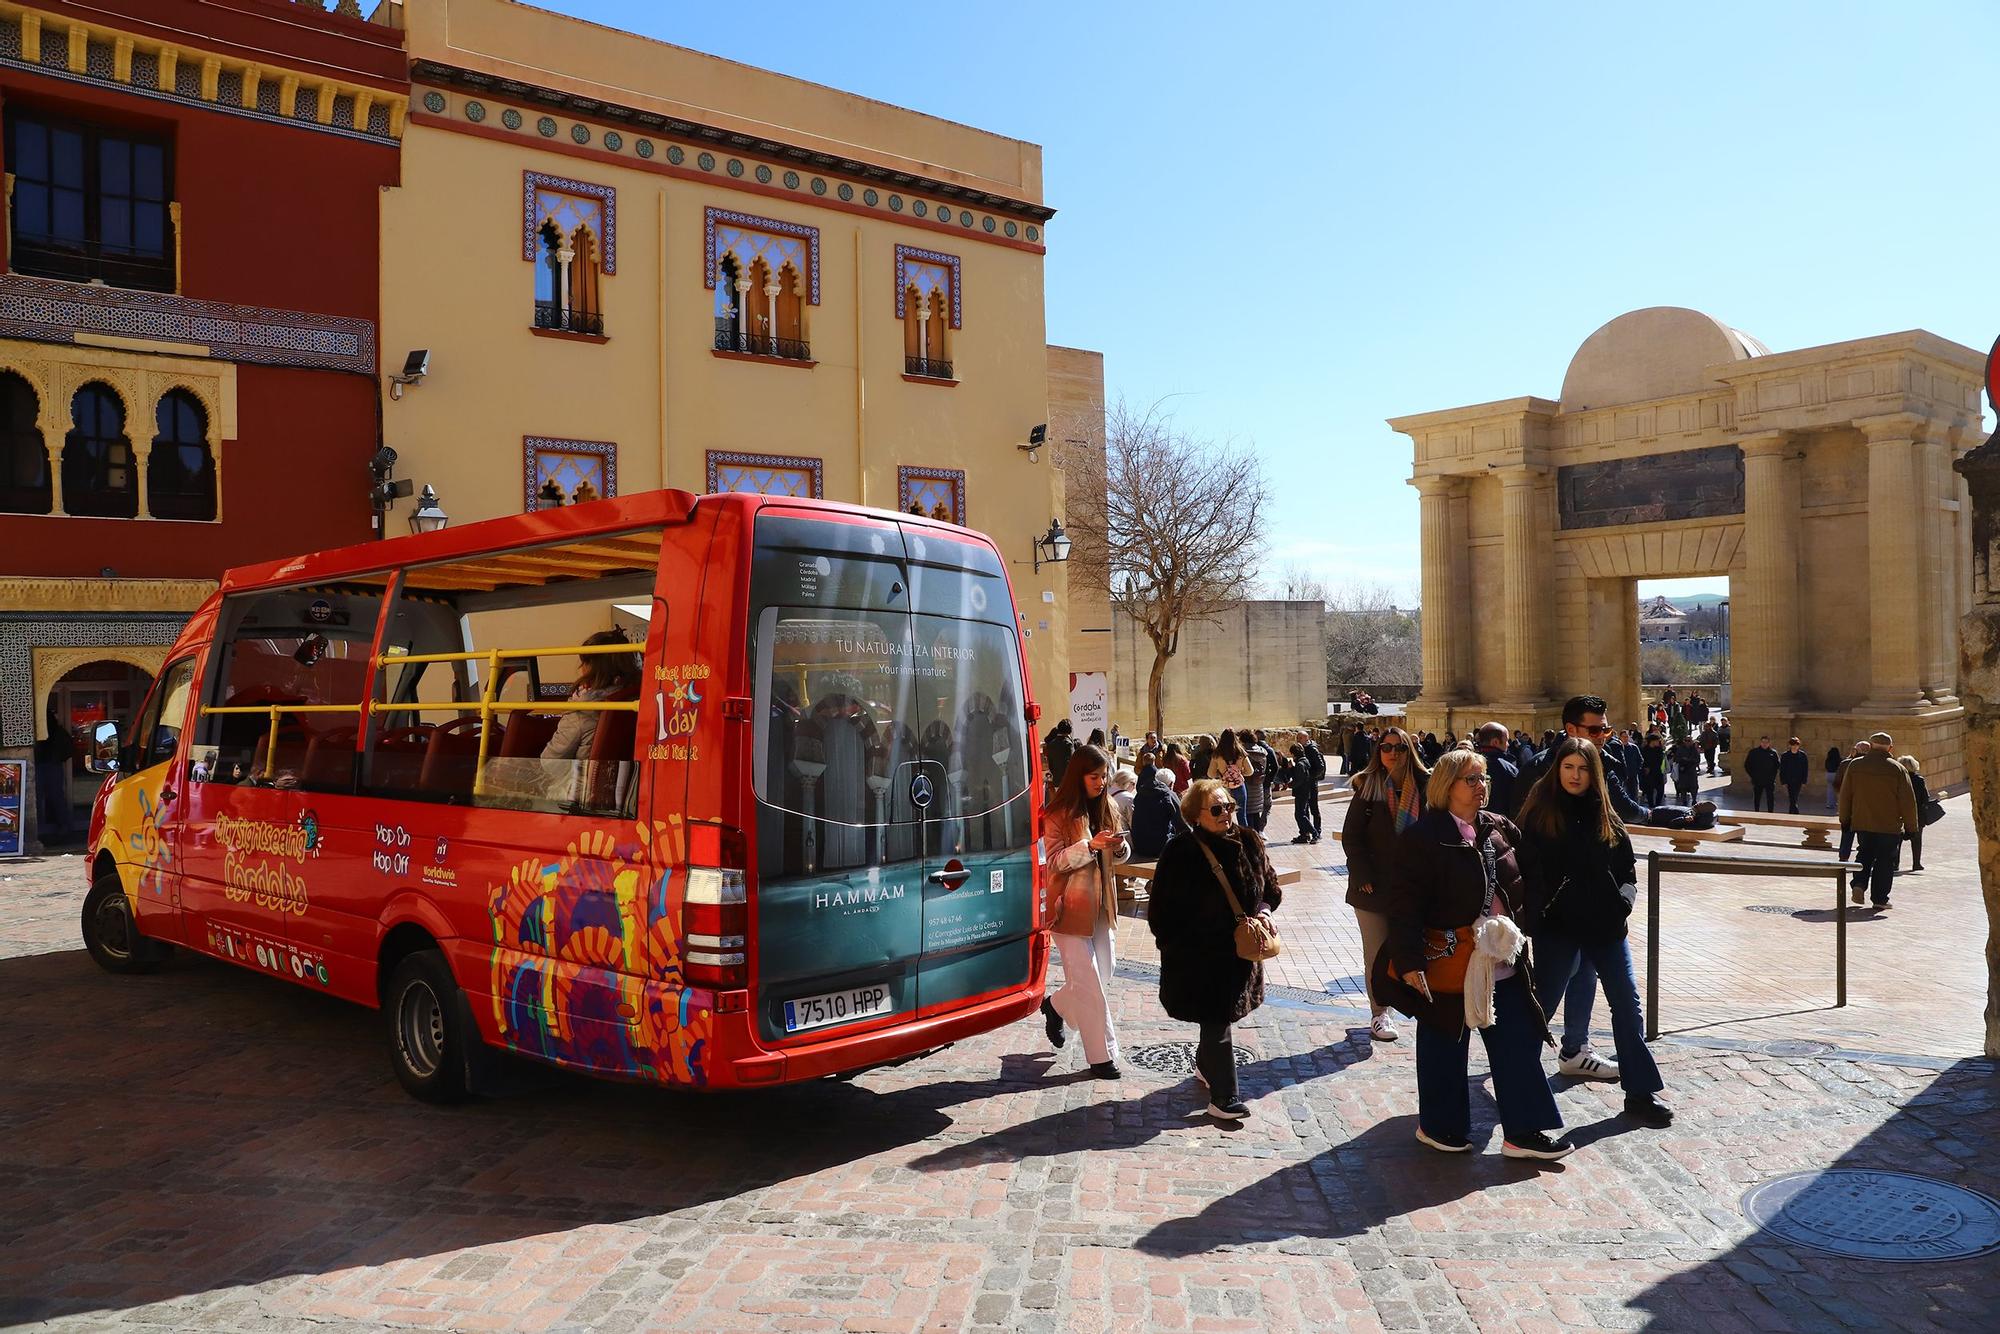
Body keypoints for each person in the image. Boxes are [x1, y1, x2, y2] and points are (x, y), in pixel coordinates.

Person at [1373, 749, 1574, 1160]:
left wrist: (1523, 920)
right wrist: (1409, 962)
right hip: (1448, 964)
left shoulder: (1498, 828)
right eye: (1472, 779)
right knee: (1444, 1047)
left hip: (1503, 962)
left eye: (1483, 779)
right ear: (1447, 785)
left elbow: (1529, 874)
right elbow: (1403, 906)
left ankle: (1524, 1132)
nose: (1481, 786)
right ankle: (1440, 1126)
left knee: (1517, 1045)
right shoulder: (1422, 839)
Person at [1516, 739, 1673, 1127]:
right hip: (1559, 929)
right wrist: (1538, 913)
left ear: (1594, 774)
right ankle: (1516, 1084)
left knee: (1627, 1004)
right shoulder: (1539, 814)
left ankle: (1639, 1092)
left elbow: (1627, 871)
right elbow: (1523, 871)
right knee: (1543, 1006)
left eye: (1583, 769)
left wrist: (1624, 902)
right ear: (1558, 769)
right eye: (1568, 766)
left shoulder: (1606, 815)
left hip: (1607, 927)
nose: (1575, 775)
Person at [1146, 778, 1282, 1120]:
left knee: (1216, 1019)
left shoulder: (1250, 841)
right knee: (1217, 1018)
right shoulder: (1181, 851)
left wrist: (1263, 911)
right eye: (1218, 809)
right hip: (1199, 956)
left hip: (1239, 952)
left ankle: (1206, 1066)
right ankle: (1224, 1097)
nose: (1227, 815)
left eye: (1230, 807)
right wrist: (1175, 947)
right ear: (1196, 815)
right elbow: (1161, 910)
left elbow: (1271, 888)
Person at [1037, 745, 1129, 1077]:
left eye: (1104, 776)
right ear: (1079, 776)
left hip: (1103, 905)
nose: (1101, 782)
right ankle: (1103, 1057)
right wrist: (1090, 846)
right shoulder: (1058, 814)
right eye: (1094, 776)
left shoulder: (1108, 807)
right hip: (1069, 909)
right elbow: (1054, 863)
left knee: (1105, 971)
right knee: (1089, 981)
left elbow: (1119, 855)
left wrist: (1119, 848)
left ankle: (1056, 1005)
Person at [1340, 724, 1429, 1043]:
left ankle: (1423, 1007)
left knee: (1414, 949)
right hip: (1373, 888)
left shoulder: (1426, 785)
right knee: (1376, 953)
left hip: (1414, 887)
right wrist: (1361, 874)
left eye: (1400, 747)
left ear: (1410, 751)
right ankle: (1380, 1014)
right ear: (1378, 752)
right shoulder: (1368, 786)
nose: (1393, 753)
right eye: (1386, 747)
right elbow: (1352, 837)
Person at [486, 630, 642, 806]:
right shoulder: (630, 698)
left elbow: (549, 763)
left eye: (584, 662)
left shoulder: (581, 711)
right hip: (617, 789)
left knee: (491, 772)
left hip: (572, 794)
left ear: (592, 668)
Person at [1838, 733, 1918, 910]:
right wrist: (1911, 827)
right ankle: (1880, 899)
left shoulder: (1855, 765)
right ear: (1890, 748)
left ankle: (1859, 884)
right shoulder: (1897, 769)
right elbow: (1907, 801)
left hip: (1862, 821)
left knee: (1864, 853)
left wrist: (1845, 819)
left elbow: (1845, 796)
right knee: (1885, 861)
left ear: (1871, 746)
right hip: (1889, 825)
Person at [1129, 760, 1190, 859]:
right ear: (1171, 784)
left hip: (1139, 845)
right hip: (1160, 847)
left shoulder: (1141, 792)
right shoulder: (1168, 794)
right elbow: (1181, 822)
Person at [34, 701, 75, 842]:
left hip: (47, 765)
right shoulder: (58, 731)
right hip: (51, 765)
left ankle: (42, 827)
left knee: (45, 797)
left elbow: (67, 748)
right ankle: (62, 826)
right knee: (55, 796)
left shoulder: (54, 732)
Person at [1473, 722, 1522, 821]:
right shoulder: (1508, 769)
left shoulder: (1466, 766)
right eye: (1506, 740)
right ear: (1495, 742)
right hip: (1500, 825)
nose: (1508, 744)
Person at [1207, 729, 1250, 828]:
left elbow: (1210, 774)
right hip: (1239, 786)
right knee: (1242, 816)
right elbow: (1250, 771)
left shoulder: (1217, 755)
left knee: (1225, 815)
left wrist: (1220, 774)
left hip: (1225, 788)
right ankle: (1245, 839)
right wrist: (1239, 773)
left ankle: (1227, 835)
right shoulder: (1241, 753)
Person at [1899, 755, 1932, 872]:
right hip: (1917, 813)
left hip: (1899, 813)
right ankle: (1916, 863)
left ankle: (1895, 863)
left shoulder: (1898, 778)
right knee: (1917, 839)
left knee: (1897, 839)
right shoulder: (1919, 780)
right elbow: (1925, 798)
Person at [1284, 743, 1321, 844]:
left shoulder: (1300, 764)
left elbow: (1299, 780)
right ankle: (1303, 835)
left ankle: (1314, 833)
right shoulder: (1304, 761)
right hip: (1305, 791)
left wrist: (1290, 785)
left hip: (1301, 792)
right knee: (1299, 814)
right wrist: (1291, 768)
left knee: (1300, 815)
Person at [1242, 728, 1274, 834]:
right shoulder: (1262, 752)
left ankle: (1251, 839)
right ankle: (1257, 836)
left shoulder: (1242, 753)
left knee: (1247, 814)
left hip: (1246, 785)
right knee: (1256, 813)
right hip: (1258, 785)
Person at [1743, 736, 1781, 812]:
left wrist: (1773, 776)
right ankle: (1756, 811)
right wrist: (1753, 776)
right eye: (1763, 742)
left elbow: (1777, 765)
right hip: (1757, 780)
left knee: (1770, 797)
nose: (1764, 744)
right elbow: (1747, 765)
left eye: (1766, 742)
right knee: (1757, 797)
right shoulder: (1754, 752)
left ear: (1769, 743)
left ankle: (1771, 813)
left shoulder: (1773, 753)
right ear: (1760, 742)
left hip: (1769, 780)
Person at [1042, 720, 1075, 796]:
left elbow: (1050, 763)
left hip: (1056, 780)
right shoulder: (1068, 744)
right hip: (1068, 781)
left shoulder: (1051, 744)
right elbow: (1072, 762)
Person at [1779, 738, 1810, 814]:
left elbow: (1805, 769)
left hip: (1798, 779)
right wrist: (1783, 781)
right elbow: (1782, 769)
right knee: (1792, 797)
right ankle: (1795, 813)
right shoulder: (1785, 756)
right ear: (1790, 745)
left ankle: (1792, 813)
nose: (1794, 747)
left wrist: (1804, 780)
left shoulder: (1803, 755)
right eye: (1793, 745)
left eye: (1796, 745)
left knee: (1794, 797)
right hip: (1788, 779)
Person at [1670, 734, 1702, 805]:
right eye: (1686, 741)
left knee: (1694, 786)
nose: (1687, 742)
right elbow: (1676, 759)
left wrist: (1689, 760)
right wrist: (1683, 760)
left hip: (1691, 771)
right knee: (1683, 787)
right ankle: (1684, 801)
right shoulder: (1680, 749)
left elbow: (1697, 760)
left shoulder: (1694, 750)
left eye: (1689, 741)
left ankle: (1694, 799)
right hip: (1683, 770)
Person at [1641, 732, 1668, 808]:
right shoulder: (1645, 750)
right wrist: (1645, 768)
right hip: (1649, 774)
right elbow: (1642, 761)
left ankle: (1658, 805)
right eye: (1657, 740)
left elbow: (1660, 760)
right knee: (1649, 791)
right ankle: (1651, 805)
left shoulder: (1659, 749)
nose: (1658, 742)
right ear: (1652, 741)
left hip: (1658, 773)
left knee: (1660, 790)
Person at [1824, 743, 1843, 813]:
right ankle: (1839, 804)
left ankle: (1829, 804)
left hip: (1829, 774)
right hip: (1836, 774)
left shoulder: (1828, 759)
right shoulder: (1839, 759)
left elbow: (1826, 766)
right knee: (1838, 790)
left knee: (1829, 790)